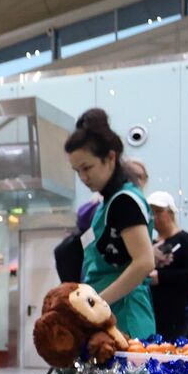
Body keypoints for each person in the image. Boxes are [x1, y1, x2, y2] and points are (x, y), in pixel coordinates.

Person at [65, 110, 156, 339]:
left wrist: (95, 303)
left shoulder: (124, 201)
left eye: (87, 168)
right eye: (77, 171)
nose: (83, 178)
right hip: (113, 315)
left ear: (111, 158)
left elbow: (144, 262)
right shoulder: (110, 201)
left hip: (125, 318)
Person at [146, 190, 188, 340]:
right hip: (157, 312)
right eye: (152, 213)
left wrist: (162, 277)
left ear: (171, 213)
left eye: (159, 212)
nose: (155, 217)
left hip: (182, 314)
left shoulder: (185, 240)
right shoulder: (151, 244)